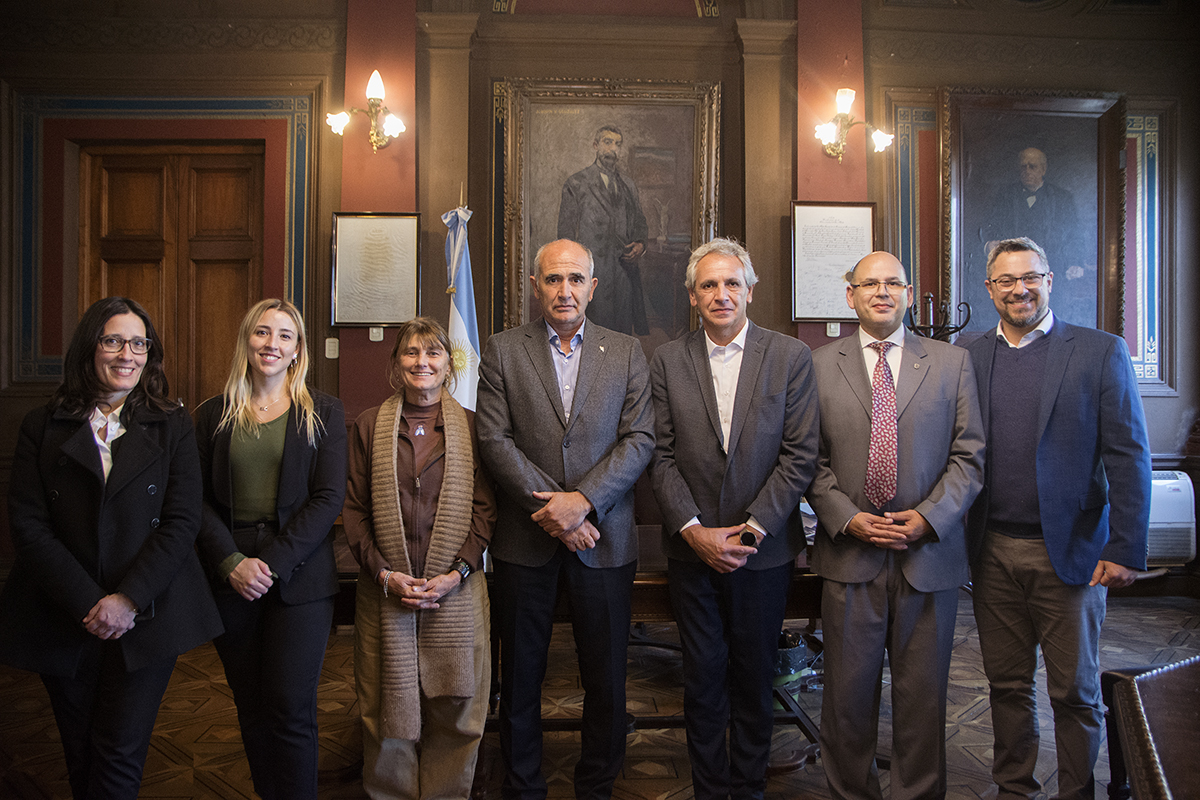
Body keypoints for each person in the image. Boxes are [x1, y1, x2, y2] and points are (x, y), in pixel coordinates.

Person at [0, 296, 222, 799]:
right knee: (80, 751)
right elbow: (29, 526)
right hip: (64, 611)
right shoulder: (41, 425)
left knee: (120, 752)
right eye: (114, 341)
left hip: (147, 612)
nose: (128, 354)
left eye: (139, 344)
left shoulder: (173, 423)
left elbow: (181, 521)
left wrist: (127, 600)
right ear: (89, 347)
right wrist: (89, 602)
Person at [965, 237, 1151, 800]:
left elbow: (1128, 455)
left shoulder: (1099, 351)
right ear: (990, 288)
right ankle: (1014, 789)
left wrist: (1125, 547)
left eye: (1030, 277)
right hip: (991, 551)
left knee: (1075, 692)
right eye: (1006, 280)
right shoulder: (969, 355)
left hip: (1072, 552)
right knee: (1007, 685)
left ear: (1049, 281)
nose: (1019, 289)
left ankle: (1077, 792)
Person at [476, 238, 654, 800]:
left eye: (576, 279)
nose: (565, 290)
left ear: (593, 287)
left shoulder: (626, 351)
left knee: (606, 680)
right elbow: (493, 439)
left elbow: (639, 438)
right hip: (524, 543)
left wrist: (584, 502)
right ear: (536, 287)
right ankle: (523, 787)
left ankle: (596, 786)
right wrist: (558, 510)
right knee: (520, 679)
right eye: (553, 279)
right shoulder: (504, 350)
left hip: (605, 541)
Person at [806, 252, 985, 799]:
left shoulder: (953, 363)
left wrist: (929, 518)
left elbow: (970, 457)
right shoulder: (816, 364)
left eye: (893, 283)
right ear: (850, 295)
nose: (881, 292)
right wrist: (848, 518)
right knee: (846, 701)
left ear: (908, 293)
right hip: (849, 557)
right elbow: (807, 460)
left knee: (922, 702)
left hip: (928, 558)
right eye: (869, 284)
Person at [648, 237, 819, 799]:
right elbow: (660, 455)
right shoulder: (667, 360)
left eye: (731, 283)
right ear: (692, 296)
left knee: (754, 679)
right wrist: (694, 531)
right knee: (701, 681)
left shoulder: (790, 356)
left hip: (762, 552)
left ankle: (747, 790)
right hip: (691, 551)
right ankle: (709, 790)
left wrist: (750, 531)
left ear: (750, 290)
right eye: (708, 285)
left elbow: (799, 455)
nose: (721, 294)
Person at [193, 298, 346, 800]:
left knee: (290, 706)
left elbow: (328, 499)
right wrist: (231, 562)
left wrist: (272, 564)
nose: (271, 344)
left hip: (300, 575)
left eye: (284, 335)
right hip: (230, 575)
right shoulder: (212, 414)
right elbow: (193, 500)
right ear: (246, 341)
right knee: (251, 705)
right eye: (262, 332)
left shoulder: (323, 411)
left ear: (298, 349)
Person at [343, 316, 496, 799]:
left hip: (458, 591)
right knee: (384, 709)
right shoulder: (370, 425)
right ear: (396, 363)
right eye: (411, 352)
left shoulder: (473, 426)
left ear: (449, 364)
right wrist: (384, 575)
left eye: (433, 352)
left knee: (459, 710)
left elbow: (485, 511)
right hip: (385, 592)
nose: (422, 362)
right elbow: (354, 511)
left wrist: (457, 573)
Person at [558, 124, 651, 336]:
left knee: (623, 334)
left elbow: (640, 222)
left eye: (617, 144)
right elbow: (565, 236)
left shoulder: (628, 185)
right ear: (595, 145)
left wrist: (640, 244)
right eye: (607, 142)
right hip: (593, 274)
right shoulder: (576, 183)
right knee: (593, 333)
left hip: (623, 272)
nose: (613, 149)